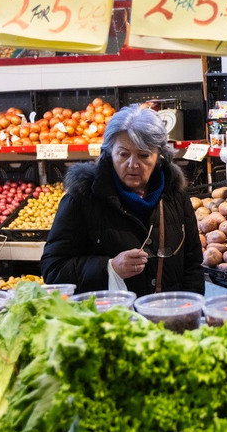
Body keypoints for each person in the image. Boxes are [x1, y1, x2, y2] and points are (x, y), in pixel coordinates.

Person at [40, 104, 204, 297]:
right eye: (123, 154)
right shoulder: (82, 199)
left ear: (159, 156)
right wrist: (109, 267)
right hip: (109, 321)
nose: (133, 164)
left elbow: (193, 264)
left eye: (144, 155)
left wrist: (189, 313)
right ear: (109, 153)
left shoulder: (175, 196)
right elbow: (53, 269)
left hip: (165, 317)